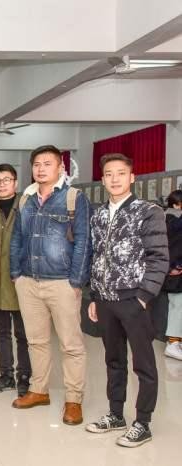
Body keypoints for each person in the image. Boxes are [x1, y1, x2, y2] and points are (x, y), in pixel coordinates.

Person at [85, 153, 168, 447]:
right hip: (105, 300)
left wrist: (144, 296)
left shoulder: (148, 211)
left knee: (144, 364)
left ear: (132, 177)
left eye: (121, 173)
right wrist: (94, 296)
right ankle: (115, 414)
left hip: (134, 299)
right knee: (113, 360)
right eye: (109, 174)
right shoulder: (98, 214)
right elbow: (96, 256)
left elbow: (159, 258)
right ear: (103, 180)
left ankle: (143, 422)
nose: (115, 179)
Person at [10, 145, 92, 426]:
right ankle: (39, 390)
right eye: (36, 164)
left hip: (61, 283)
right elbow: (17, 237)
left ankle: (73, 400)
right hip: (28, 281)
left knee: (71, 345)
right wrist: (16, 274)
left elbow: (83, 241)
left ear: (60, 167)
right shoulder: (26, 199)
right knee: (36, 341)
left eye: (47, 163)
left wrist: (76, 281)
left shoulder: (73, 197)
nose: (41, 168)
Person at [0, 164, 31, 397]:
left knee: (23, 334)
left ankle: (25, 376)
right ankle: (6, 376)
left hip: (21, 280)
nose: (2, 184)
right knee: (1, 332)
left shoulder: (27, 207)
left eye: (7, 180)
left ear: (15, 183)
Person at [163, 189, 182, 360]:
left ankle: (176, 341)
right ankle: (173, 343)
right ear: (176, 205)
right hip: (174, 271)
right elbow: (173, 248)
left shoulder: (168, 218)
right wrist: (174, 266)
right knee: (177, 306)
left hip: (173, 269)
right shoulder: (173, 220)